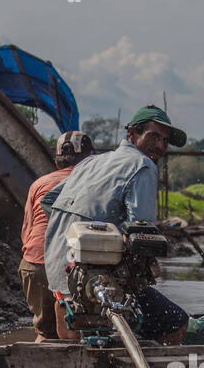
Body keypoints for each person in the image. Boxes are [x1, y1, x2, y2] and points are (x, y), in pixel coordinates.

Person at [42, 105, 189, 345]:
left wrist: (83, 229)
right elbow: (142, 230)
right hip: (93, 275)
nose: (161, 146)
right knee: (176, 322)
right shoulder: (143, 165)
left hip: (57, 269)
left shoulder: (91, 162)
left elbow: (48, 201)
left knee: (73, 342)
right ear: (132, 134)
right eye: (153, 136)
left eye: (165, 140)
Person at [20, 131, 95, 341]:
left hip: (35, 263)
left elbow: (27, 233)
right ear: (91, 158)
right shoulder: (94, 182)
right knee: (78, 330)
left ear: (56, 161)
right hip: (75, 268)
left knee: (46, 331)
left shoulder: (39, 184)